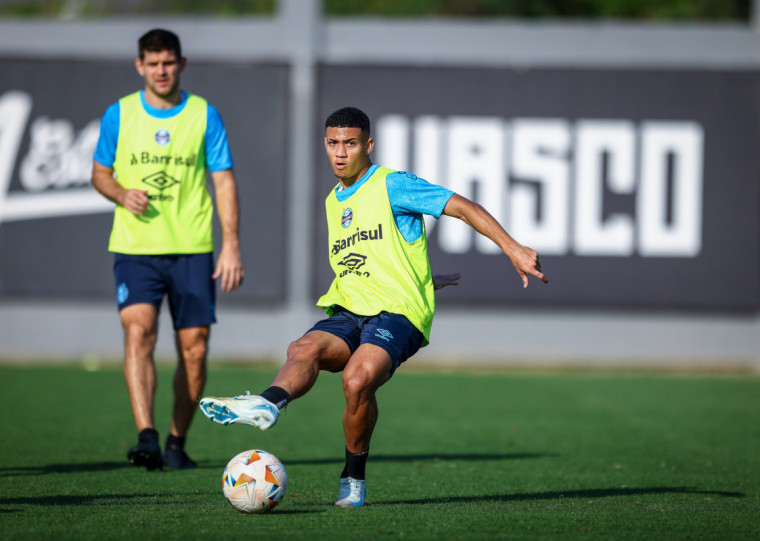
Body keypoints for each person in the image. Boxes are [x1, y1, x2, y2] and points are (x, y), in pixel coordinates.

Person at [199, 107, 545, 504]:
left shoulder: (393, 184)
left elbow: (464, 207)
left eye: (349, 143)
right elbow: (375, 258)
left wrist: (513, 248)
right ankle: (268, 403)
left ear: (368, 145)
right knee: (303, 348)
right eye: (332, 143)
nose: (340, 153)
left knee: (357, 380)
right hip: (350, 309)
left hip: (398, 313)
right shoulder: (334, 200)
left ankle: (353, 477)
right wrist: (426, 277)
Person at [91, 28, 244, 471]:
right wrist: (120, 193)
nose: (161, 70)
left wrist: (231, 244)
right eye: (153, 63)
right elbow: (100, 174)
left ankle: (177, 441)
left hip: (193, 248)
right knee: (138, 331)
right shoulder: (118, 115)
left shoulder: (203, 115)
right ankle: (148, 438)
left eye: (168, 62)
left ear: (181, 64)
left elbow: (224, 181)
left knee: (194, 349)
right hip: (136, 247)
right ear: (140, 66)